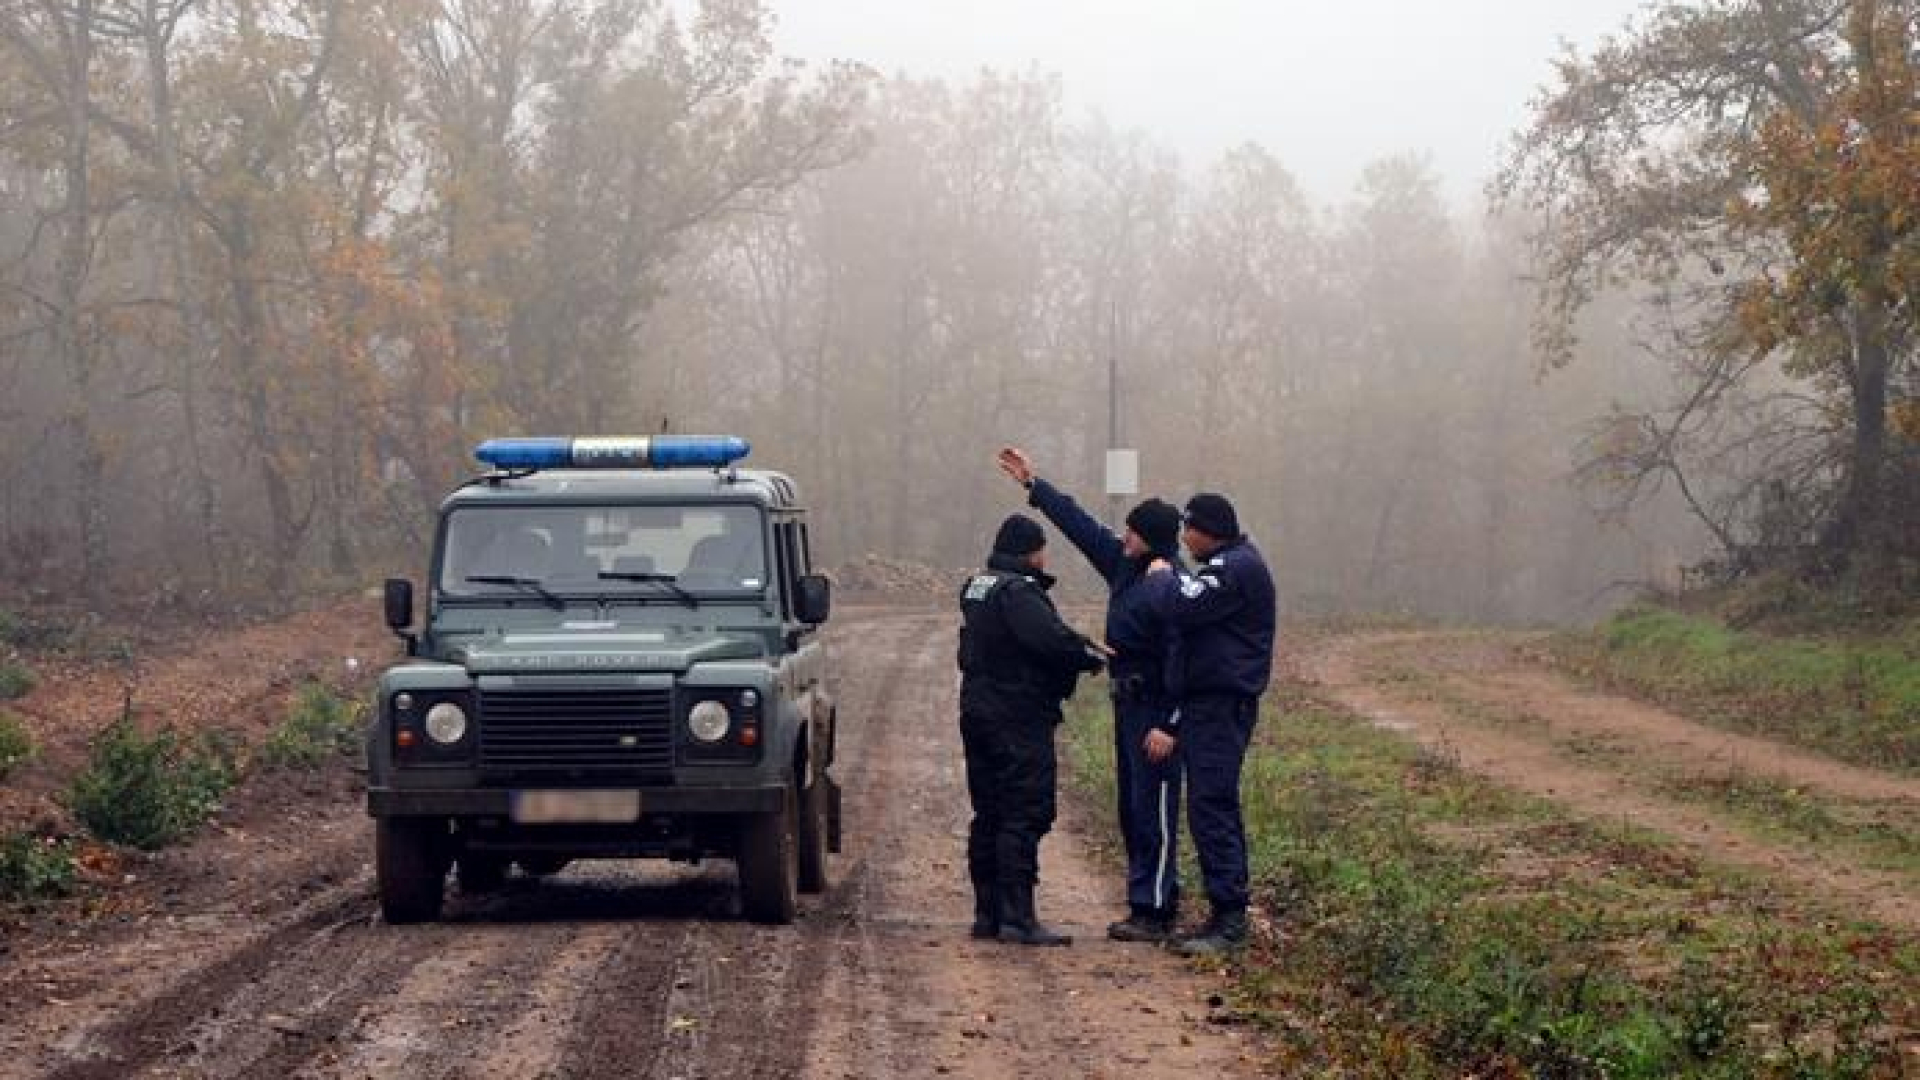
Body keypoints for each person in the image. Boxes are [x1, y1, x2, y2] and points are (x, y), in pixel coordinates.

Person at [996, 447, 1188, 943]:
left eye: (1133, 531)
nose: (1123, 536)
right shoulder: (1124, 564)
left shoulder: (1172, 584)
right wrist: (1034, 486)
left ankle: (1159, 908)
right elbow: (1078, 524)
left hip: (1156, 708)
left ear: (1154, 540)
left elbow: (1183, 661)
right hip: (1126, 703)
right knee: (1132, 807)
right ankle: (1141, 901)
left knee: (1156, 808)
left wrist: (1170, 721)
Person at [958, 513, 1107, 946]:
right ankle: (1018, 919)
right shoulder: (1019, 593)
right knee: (1024, 811)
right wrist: (1086, 654)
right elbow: (1048, 641)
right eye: (1042, 549)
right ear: (1032, 551)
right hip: (1016, 716)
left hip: (978, 712)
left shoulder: (979, 586)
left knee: (989, 813)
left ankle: (987, 915)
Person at [1144, 492, 1276, 956]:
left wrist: (1161, 576)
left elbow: (1180, 605)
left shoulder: (1235, 569)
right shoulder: (1227, 565)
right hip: (1207, 706)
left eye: (1190, 529)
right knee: (1206, 807)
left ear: (1209, 529)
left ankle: (1230, 919)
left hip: (1223, 707)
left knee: (1213, 806)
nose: (1184, 537)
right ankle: (1221, 912)